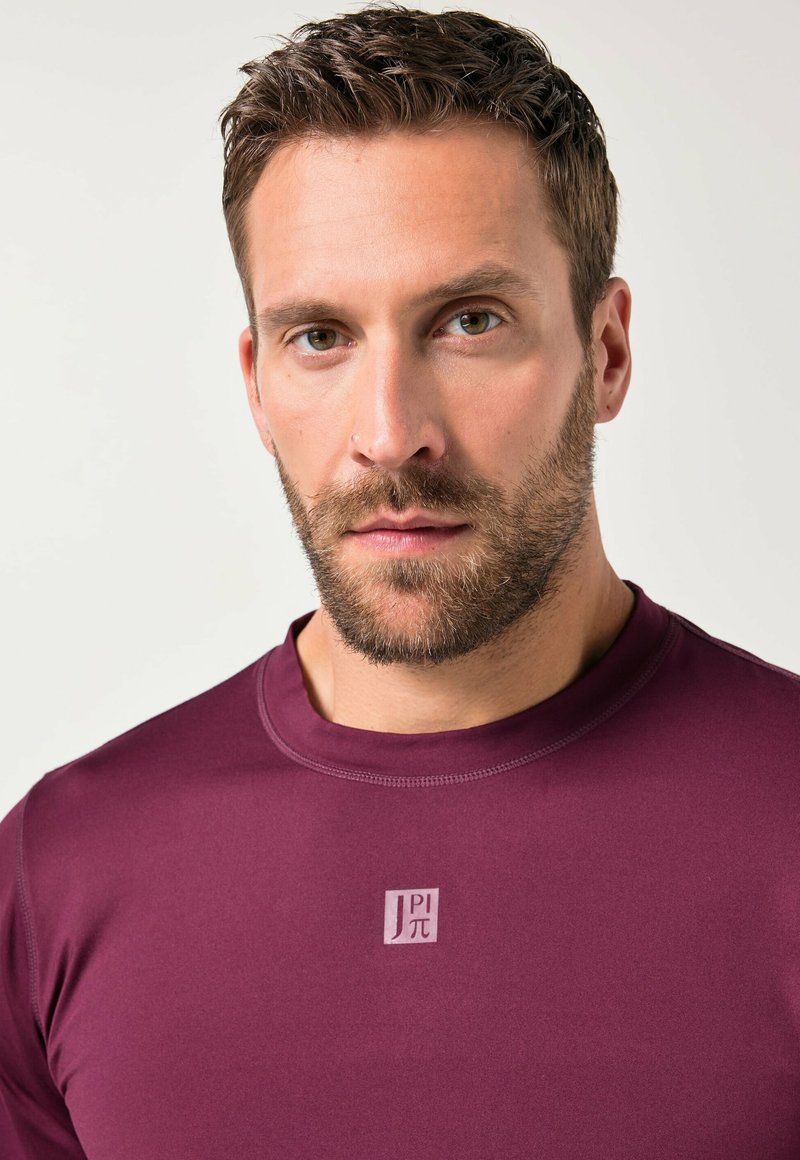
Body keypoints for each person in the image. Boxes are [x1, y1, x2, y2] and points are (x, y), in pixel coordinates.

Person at [1, 5, 798, 1157]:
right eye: (320, 336)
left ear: (606, 351)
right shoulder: (62, 869)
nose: (389, 432)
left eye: (468, 321)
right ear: (257, 383)